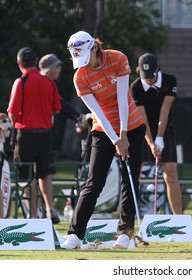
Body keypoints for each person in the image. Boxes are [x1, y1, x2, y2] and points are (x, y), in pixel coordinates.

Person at [61, 31, 145, 250]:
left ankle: (125, 234)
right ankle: (75, 235)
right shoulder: (80, 77)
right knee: (94, 182)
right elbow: (98, 112)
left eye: (85, 57)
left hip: (133, 127)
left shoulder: (118, 58)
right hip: (103, 130)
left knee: (129, 181)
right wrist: (116, 139)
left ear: (95, 48)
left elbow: (122, 99)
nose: (83, 64)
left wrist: (124, 134)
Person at [7, 47, 62, 220]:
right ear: (35, 60)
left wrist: (15, 122)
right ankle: (49, 209)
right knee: (45, 173)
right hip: (45, 135)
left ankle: (33, 214)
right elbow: (56, 110)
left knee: (27, 175)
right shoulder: (49, 82)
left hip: (26, 134)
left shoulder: (21, 82)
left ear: (19, 63)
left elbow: (13, 112)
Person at [37, 54, 89, 224]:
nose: (60, 70)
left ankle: (43, 210)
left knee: (43, 173)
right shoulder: (45, 84)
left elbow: (59, 105)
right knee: (41, 174)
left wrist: (78, 118)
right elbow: (59, 106)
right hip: (39, 135)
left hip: (37, 135)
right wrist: (79, 118)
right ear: (51, 69)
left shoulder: (42, 83)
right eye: (57, 67)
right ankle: (40, 210)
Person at [130, 53, 183, 214]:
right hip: (141, 130)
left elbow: (164, 112)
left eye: (152, 76)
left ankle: (179, 219)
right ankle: (128, 218)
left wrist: (159, 138)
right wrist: (151, 143)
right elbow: (142, 119)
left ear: (157, 69)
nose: (149, 80)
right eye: (146, 76)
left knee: (171, 173)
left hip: (165, 129)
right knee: (133, 175)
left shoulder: (169, 81)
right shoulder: (136, 87)